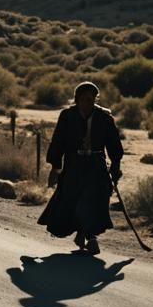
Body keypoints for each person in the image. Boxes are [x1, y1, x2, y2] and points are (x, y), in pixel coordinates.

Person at [37, 81, 123, 256]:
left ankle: (90, 237)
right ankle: (82, 233)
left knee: (94, 199)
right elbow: (58, 142)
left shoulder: (104, 118)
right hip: (73, 164)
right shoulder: (67, 116)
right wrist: (56, 167)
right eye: (83, 99)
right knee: (71, 200)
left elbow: (114, 145)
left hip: (96, 164)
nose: (87, 103)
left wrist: (115, 167)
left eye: (91, 100)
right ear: (77, 100)